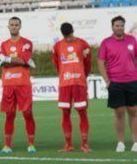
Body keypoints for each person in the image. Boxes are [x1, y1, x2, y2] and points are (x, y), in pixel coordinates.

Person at [0, 16, 37, 154]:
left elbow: (23, 59)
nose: (14, 27)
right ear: (8, 27)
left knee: (27, 113)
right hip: (8, 83)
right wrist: (18, 61)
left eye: (16, 25)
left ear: (20, 26)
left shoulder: (27, 43)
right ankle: (7, 146)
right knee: (9, 115)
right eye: (11, 25)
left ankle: (31, 144)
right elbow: (3, 62)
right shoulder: (3, 44)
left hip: (23, 83)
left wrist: (7, 59)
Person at [97, 15, 137, 152]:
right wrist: (106, 80)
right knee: (119, 113)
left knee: (133, 111)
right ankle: (120, 143)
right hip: (115, 82)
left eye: (121, 25)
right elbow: (101, 62)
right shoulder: (106, 42)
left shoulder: (132, 40)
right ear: (112, 27)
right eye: (117, 25)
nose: (119, 28)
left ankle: (136, 143)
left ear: (124, 27)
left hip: (132, 81)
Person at [52, 22, 92, 153]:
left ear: (73, 31)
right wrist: (63, 75)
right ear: (62, 35)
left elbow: (88, 63)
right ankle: (68, 144)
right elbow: (57, 64)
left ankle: (85, 144)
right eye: (66, 36)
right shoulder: (57, 46)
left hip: (79, 83)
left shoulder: (83, 44)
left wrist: (83, 76)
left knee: (82, 112)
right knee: (65, 113)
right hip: (65, 84)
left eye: (70, 35)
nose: (68, 38)